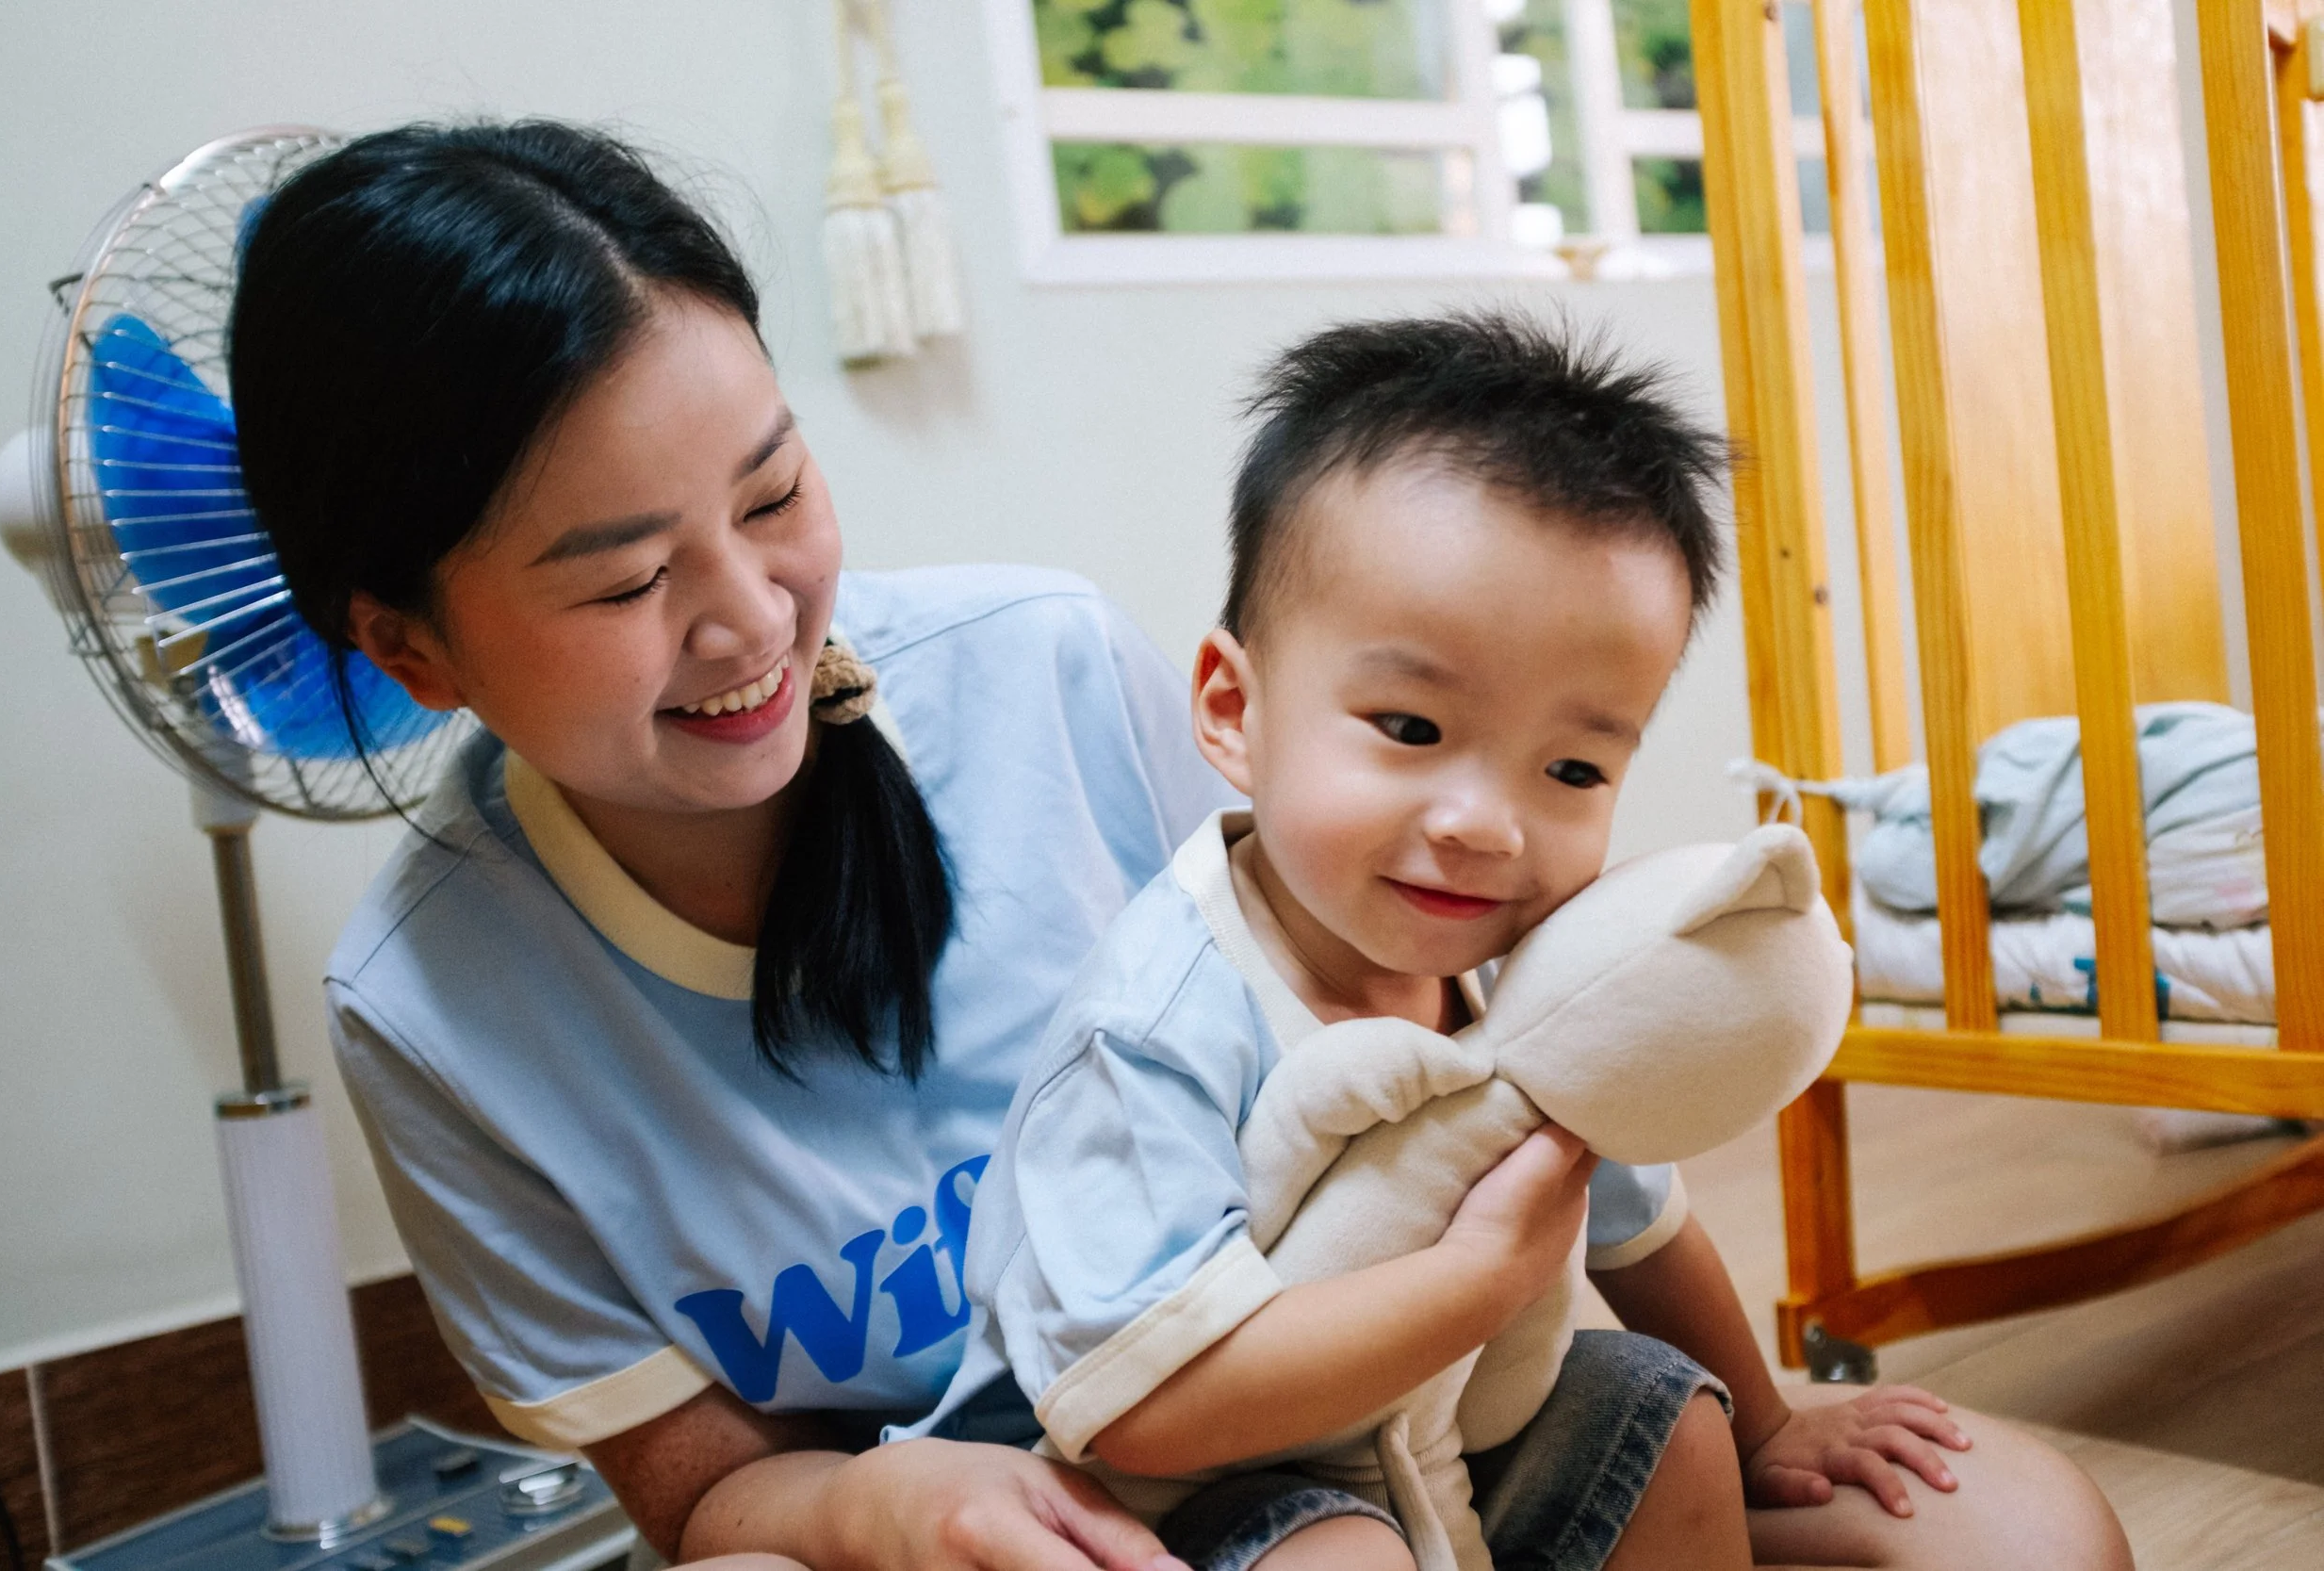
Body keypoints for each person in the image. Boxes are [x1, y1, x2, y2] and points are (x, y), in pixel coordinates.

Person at [230, 119, 2123, 1569]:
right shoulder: (437, 1005)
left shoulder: (1040, 670)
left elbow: (1500, 1067)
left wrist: (1763, 1399)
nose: (749, 621)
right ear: (405, 639)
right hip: (1015, 1523)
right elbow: (700, 1492)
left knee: (2011, 1519)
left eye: (774, 492)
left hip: (1380, 1405)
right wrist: (886, 1510)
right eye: (629, 575)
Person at [910, 316, 2134, 1571]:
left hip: (1428, 1430)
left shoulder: (1522, 960)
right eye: (1409, 724)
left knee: (1670, 1423)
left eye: (1571, 765)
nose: (1487, 826)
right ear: (1234, 708)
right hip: (1149, 1501)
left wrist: (1769, 1422)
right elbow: (1147, 1406)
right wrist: (1482, 1280)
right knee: (1335, 1553)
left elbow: (1638, 1221)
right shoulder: (1156, 1025)